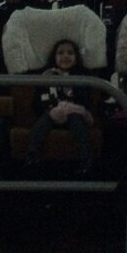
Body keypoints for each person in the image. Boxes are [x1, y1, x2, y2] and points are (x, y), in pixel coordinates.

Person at [25, 39, 94, 176]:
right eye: (61, 53)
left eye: (70, 53)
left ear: (76, 57)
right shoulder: (46, 76)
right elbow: (36, 104)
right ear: (54, 57)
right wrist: (49, 109)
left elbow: (85, 101)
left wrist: (68, 88)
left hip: (74, 112)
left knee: (78, 124)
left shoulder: (82, 76)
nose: (65, 56)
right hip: (52, 113)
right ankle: (32, 158)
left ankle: (86, 161)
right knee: (41, 124)